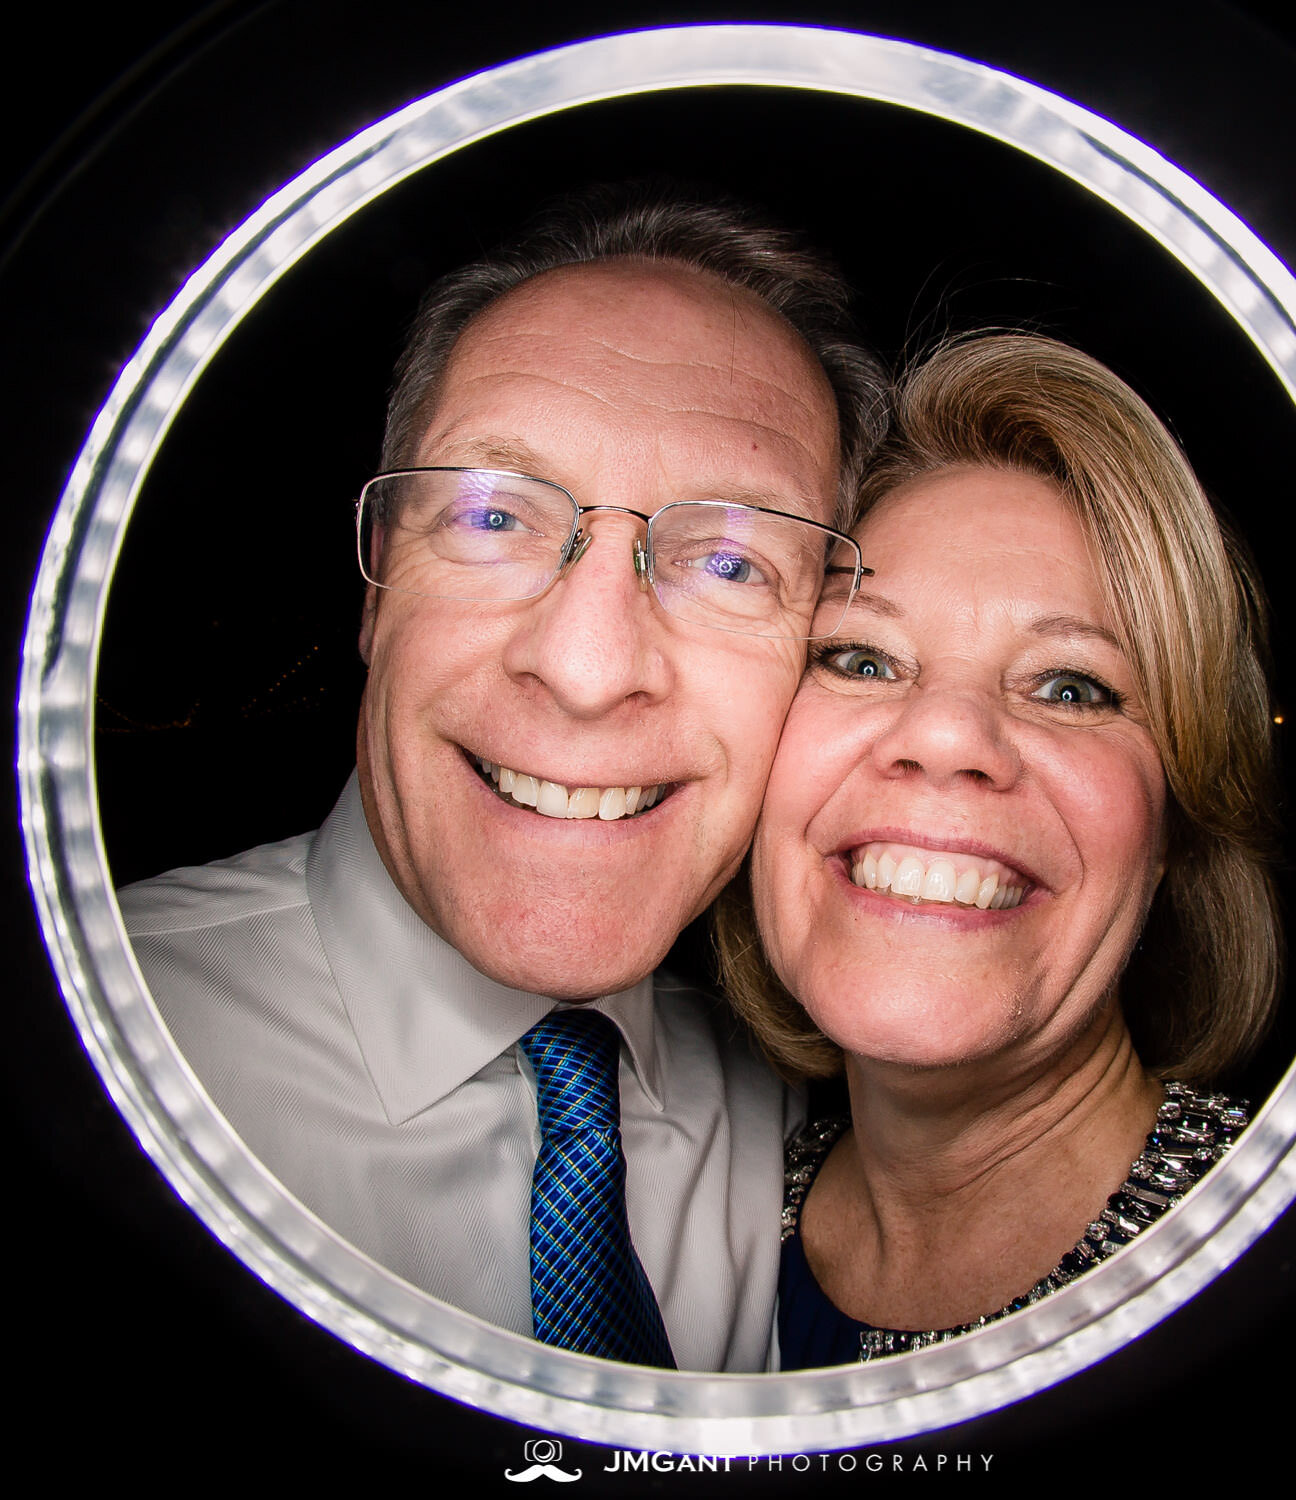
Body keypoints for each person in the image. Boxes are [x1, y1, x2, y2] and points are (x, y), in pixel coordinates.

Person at [119, 184, 887, 1373]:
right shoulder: (89, 1044)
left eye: (732, 560)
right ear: (378, 585)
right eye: (492, 518)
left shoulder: (809, 1126)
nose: (586, 669)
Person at [714, 332, 1279, 1366]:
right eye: (861, 657)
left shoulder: (1290, 1248)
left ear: (1173, 826)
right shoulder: (693, 1207)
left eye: (1072, 687)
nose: (946, 736)